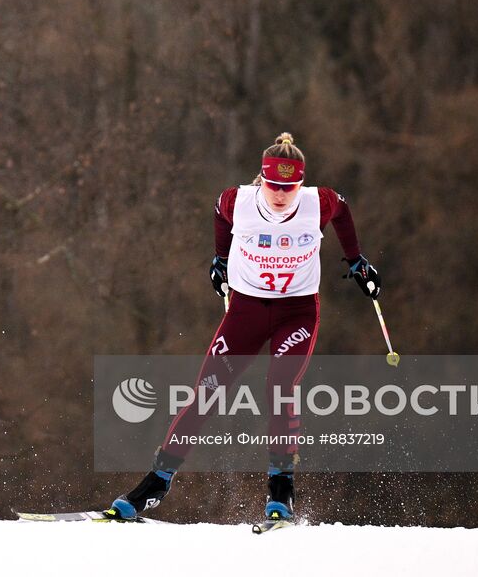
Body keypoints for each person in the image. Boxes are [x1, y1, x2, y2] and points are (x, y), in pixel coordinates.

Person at [107, 132, 380, 524]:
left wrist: (356, 260)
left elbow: (343, 210)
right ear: (262, 180)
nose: (281, 194)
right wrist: (220, 258)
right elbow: (219, 210)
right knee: (207, 392)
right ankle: (157, 482)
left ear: (300, 183)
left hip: (297, 312)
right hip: (246, 311)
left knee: (280, 387)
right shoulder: (239, 202)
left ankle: (281, 492)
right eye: (273, 185)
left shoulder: (317, 202)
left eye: (290, 186)